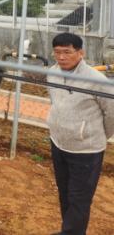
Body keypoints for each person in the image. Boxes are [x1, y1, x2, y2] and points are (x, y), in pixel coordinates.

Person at [47, 32, 114, 235]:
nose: (61, 57)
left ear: (81, 53)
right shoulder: (52, 72)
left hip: (86, 151)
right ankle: (70, 230)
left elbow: (111, 113)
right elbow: (54, 101)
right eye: (57, 52)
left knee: (79, 198)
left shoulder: (96, 80)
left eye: (67, 52)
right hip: (58, 143)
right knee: (65, 193)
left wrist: (95, 135)